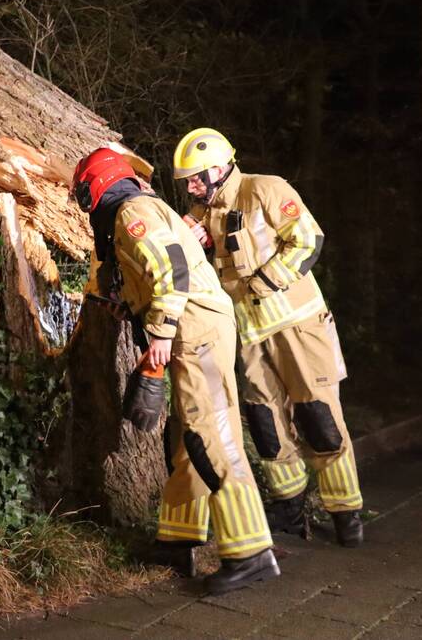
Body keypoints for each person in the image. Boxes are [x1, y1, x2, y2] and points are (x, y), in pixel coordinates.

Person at [71, 146, 279, 594]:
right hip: (192, 327)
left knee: (212, 436)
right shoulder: (132, 213)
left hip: (195, 329)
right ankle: (178, 540)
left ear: (96, 185)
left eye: (82, 193)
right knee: (186, 438)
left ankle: (251, 552)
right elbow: (150, 275)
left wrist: (161, 333)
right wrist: (130, 308)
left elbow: (171, 268)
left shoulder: (132, 213)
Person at [173, 128, 363, 547]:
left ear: (218, 169)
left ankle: (345, 512)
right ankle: (289, 507)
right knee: (266, 424)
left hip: (298, 325)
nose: (191, 188)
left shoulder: (265, 189)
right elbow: (179, 247)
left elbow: (307, 240)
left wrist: (261, 283)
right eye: (186, 181)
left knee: (319, 417)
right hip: (250, 335)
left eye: (195, 179)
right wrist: (193, 239)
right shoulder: (204, 212)